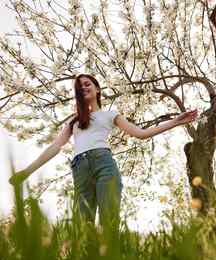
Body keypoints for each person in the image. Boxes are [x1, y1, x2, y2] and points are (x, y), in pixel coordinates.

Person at [9, 74, 198, 229]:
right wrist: (26, 172)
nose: (83, 88)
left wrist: (176, 121)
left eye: (87, 84)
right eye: (79, 88)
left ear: (97, 89)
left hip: (104, 165)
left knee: (109, 220)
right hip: (80, 169)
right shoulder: (74, 122)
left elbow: (141, 134)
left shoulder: (110, 115)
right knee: (83, 225)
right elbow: (54, 147)